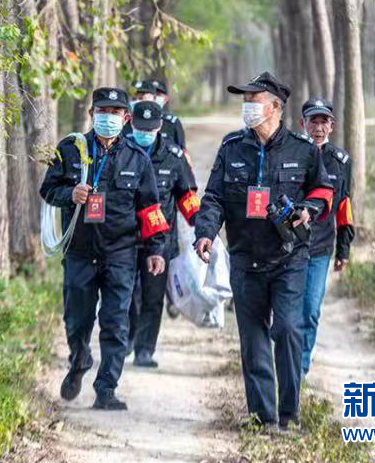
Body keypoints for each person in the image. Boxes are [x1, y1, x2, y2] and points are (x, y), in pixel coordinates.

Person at [194, 72, 334, 433]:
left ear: (275, 107)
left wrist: (307, 209)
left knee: (288, 330)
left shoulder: (302, 150)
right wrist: (206, 232)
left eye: (253, 101)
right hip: (245, 259)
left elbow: (324, 191)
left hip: (289, 258)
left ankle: (289, 414)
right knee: (253, 339)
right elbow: (213, 197)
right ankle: (263, 417)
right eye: (244, 101)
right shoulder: (231, 148)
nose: (247, 108)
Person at [40, 87, 169, 411]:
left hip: (121, 254)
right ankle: (79, 358)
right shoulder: (71, 149)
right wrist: (70, 194)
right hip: (80, 252)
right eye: (102, 111)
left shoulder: (137, 158)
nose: (107, 117)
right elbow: (48, 188)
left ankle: (106, 389)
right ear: (91, 113)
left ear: (126, 118)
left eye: (114, 112)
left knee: (116, 322)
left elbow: (150, 209)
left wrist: (155, 249)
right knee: (77, 319)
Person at [126, 100, 200, 367]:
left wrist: (200, 223)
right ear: (130, 124)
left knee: (153, 296)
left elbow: (186, 195)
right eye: (139, 128)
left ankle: (145, 349)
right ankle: (128, 338)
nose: (143, 133)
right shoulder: (120, 151)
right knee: (126, 292)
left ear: (159, 127)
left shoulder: (173, 156)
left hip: (159, 241)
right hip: (124, 238)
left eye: (149, 129)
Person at [299, 97, 355, 379]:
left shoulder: (340, 161)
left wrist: (344, 249)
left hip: (321, 248)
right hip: (288, 247)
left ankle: (300, 369)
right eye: (313, 121)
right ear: (302, 124)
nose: (318, 128)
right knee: (286, 312)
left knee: (310, 309)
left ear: (332, 126)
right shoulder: (291, 154)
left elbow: (344, 206)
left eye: (324, 122)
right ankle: (284, 360)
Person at [150, 78, 187, 150]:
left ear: (166, 99)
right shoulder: (134, 121)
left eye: (158, 94)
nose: (154, 97)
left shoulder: (172, 122)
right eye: (152, 94)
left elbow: (182, 150)